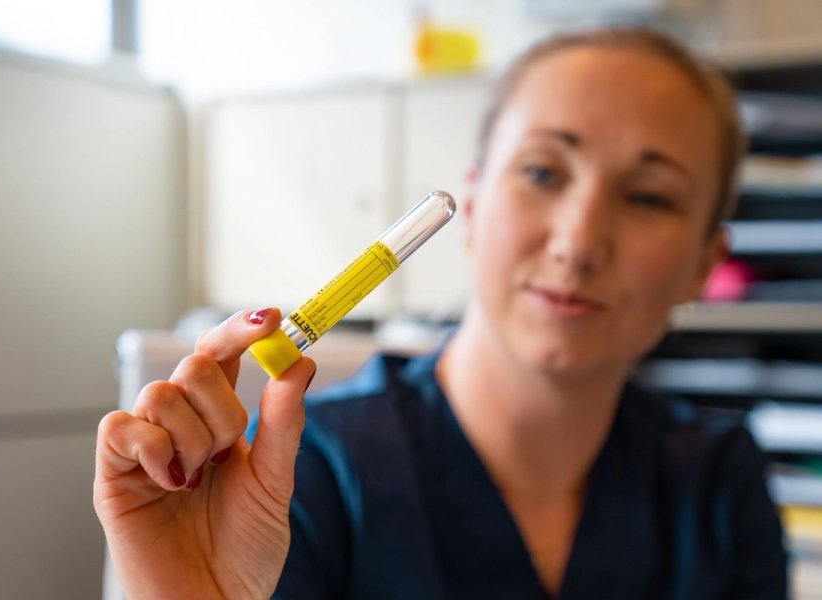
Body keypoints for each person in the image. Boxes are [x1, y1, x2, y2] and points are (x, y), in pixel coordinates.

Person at [94, 26, 788, 599]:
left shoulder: (718, 485)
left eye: (648, 197)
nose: (578, 243)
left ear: (703, 263)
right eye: (543, 172)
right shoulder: (297, 476)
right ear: (475, 204)